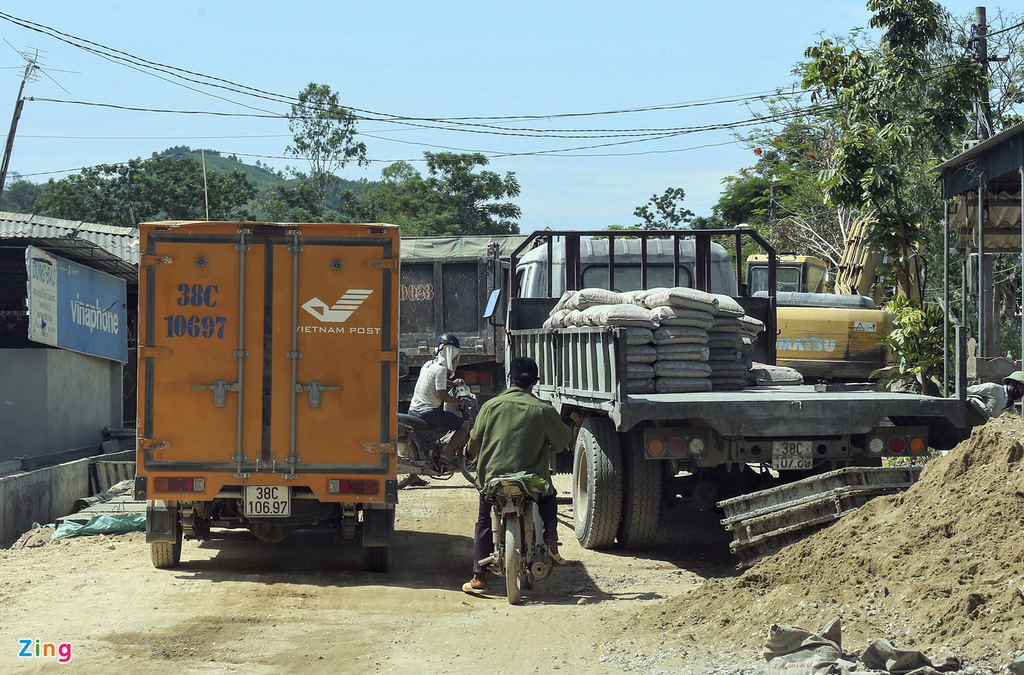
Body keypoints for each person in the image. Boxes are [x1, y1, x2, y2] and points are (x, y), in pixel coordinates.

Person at [462, 356, 572, 595]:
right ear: (534, 383)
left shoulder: (490, 407)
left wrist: (468, 453)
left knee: (484, 518)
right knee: (548, 498)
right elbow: (562, 442)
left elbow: (474, 442)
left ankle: (478, 577)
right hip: (530, 481)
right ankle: (551, 541)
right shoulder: (543, 410)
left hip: (493, 480)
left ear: (510, 379)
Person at [408, 333, 470, 469]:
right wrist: (458, 402)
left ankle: (414, 477)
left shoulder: (428, 365)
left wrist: (452, 384)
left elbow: (437, 381)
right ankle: (447, 453)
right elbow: (441, 395)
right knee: (464, 426)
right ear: (449, 352)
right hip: (429, 413)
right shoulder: (441, 369)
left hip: (413, 410)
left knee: (419, 444)